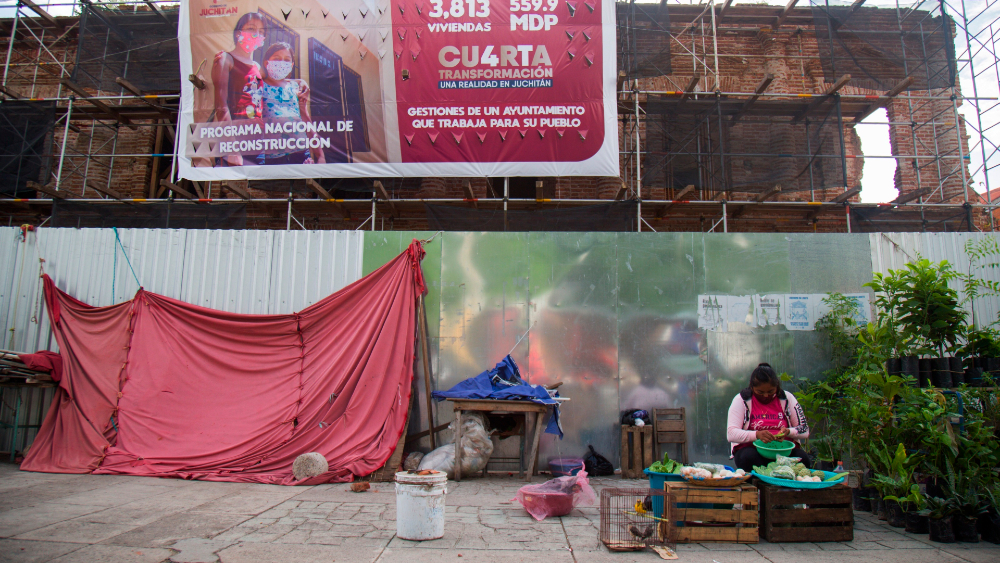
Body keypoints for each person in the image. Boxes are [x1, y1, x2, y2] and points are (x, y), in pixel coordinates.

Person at [727, 362, 811, 472]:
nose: (766, 396)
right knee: (747, 458)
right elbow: (731, 434)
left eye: (771, 391)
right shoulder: (742, 400)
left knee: (803, 459)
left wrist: (788, 432)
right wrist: (757, 434)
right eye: (760, 392)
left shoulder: (787, 398)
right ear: (752, 387)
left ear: (777, 386)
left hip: (783, 452)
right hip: (753, 450)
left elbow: (804, 430)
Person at [211, 12, 266, 166]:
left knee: (256, 188)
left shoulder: (257, 67)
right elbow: (220, 106)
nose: (256, 34)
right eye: (251, 28)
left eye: (261, 32)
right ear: (238, 33)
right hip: (235, 138)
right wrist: (232, 148)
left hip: (257, 141)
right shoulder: (225, 59)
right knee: (231, 187)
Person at [257, 42, 325, 165]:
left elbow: (306, 120)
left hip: (301, 154)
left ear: (292, 65)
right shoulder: (259, 86)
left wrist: (320, 156)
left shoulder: (297, 88)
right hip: (272, 158)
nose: (282, 63)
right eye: (276, 58)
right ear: (267, 62)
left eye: (287, 60)